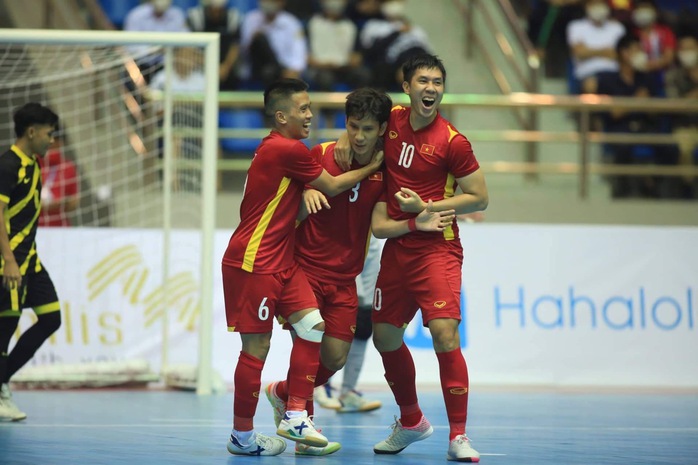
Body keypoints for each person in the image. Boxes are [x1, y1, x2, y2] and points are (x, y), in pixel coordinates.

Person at [334, 54, 489, 462]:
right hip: (399, 248)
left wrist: (429, 205)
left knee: (444, 335)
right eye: (423, 80)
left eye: (438, 81)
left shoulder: (453, 141)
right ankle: (411, 421)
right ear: (407, 86)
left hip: (438, 247)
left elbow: (480, 196)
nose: (431, 88)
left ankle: (459, 436)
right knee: (385, 337)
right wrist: (344, 142)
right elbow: (362, 129)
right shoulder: (393, 122)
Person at [221, 78, 384, 456]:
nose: (311, 115)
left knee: (313, 328)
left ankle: (293, 410)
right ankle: (241, 437)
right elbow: (328, 184)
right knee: (256, 349)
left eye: (311, 107)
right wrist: (372, 165)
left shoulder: (291, 152)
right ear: (281, 116)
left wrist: (308, 186)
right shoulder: (286, 148)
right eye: (304, 109)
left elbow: (311, 184)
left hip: (282, 260)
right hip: (254, 260)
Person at [0, 103, 62, 421]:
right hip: (7, 263)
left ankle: (1, 382)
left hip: (30, 261)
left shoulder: (34, 165)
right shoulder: (8, 165)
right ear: (32, 131)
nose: (52, 140)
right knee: (5, 327)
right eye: (49, 134)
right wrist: (9, 259)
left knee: (51, 318)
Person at [359, 0, 433, 91]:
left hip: (418, 59)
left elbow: (427, 51)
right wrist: (397, 33)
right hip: (392, 63)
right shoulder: (374, 26)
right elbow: (370, 52)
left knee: (434, 72)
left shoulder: (416, 29)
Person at [306, 0, 372, 92]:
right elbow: (305, 53)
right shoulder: (313, 23)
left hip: (344, 67)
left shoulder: (350, 25)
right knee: (325, 78)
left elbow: (357, 54)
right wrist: (316, 62)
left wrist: (354, 60)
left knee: (363, 74)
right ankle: (327, 106)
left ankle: (359, 104)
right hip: (320, 67)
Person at [239, 0, 307, 87]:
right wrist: (253, 39)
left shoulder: (291, 23)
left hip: (283, 69)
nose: (267, 3)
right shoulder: (250, 19)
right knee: (260, 40)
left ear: (281, 2)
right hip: (256, 67)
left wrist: (294, 70)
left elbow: (299, 52)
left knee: (270, 72)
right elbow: (243, 52)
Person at [567, 0, 626, 92]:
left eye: (601, 3)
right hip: (587, 74)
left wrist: (590, 51)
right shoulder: (576, 26)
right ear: (587, 6)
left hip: (615, 73)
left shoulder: (617, 27)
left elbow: (621, 54)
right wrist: (606, 51)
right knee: (591, 84)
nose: (598, 7)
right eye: (594, 3)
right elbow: (580, 53)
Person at [123, 0, 189, 82]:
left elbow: (186, 40)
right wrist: (154, 50)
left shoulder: (177, 15)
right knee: (128, 73)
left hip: (167, 65)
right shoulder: (136, 15)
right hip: (139, 64)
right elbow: (130, 46)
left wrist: (169, 49)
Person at [186, 0, 242, 90]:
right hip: (201, 66)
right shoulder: (195, 16)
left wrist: (225, 67)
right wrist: (211, 67)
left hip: (226, 69)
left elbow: (235, 46)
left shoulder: (233, 17)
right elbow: (190, 48)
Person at [38, 132, 79, 227]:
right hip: (34, 228)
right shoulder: (31, 164)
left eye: (55, 140)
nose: (51, 143)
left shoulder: (68, 167)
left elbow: (74, 202)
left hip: (60, 228)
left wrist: (58, 204)